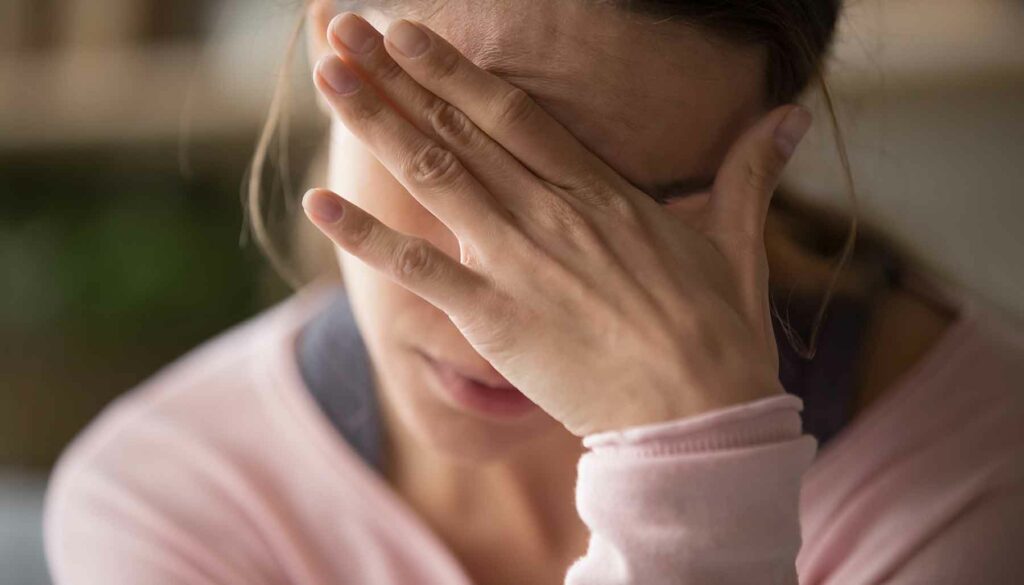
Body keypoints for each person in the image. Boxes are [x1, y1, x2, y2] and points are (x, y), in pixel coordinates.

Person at [44, 1, 1024, 583]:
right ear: (325, 41)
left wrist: (693, 471)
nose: (493, 298)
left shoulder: (971, 472)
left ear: (767, 146)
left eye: (630, 212)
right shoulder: (172, 502)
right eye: (450, 155)